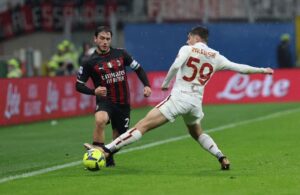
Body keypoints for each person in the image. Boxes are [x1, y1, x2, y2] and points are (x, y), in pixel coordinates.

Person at [84, 25, 274, 170]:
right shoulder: (217, 57)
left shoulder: (187, 49)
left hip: (179, 99)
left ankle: (105, 150)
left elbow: (176, 65)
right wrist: (262, 70)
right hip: (195, 104)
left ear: (194, 37)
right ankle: (221, 156)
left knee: (142, 126)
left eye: (188, 37)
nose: (187, 39)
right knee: (196, 132)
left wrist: (166, 83)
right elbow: (240, 68)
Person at [76, 26, 152, 167]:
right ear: (95, 39)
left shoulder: (121, 54)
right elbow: (78, 85)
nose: (105, 42)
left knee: (119, 138)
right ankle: (96, 154)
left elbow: (138, 69)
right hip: (105, 101)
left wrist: (146, 85)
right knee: (101, 120)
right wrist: (94, 91)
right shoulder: (89, 62)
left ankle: (107, 156)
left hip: (123, 103)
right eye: (102, 38)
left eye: (108, 39)